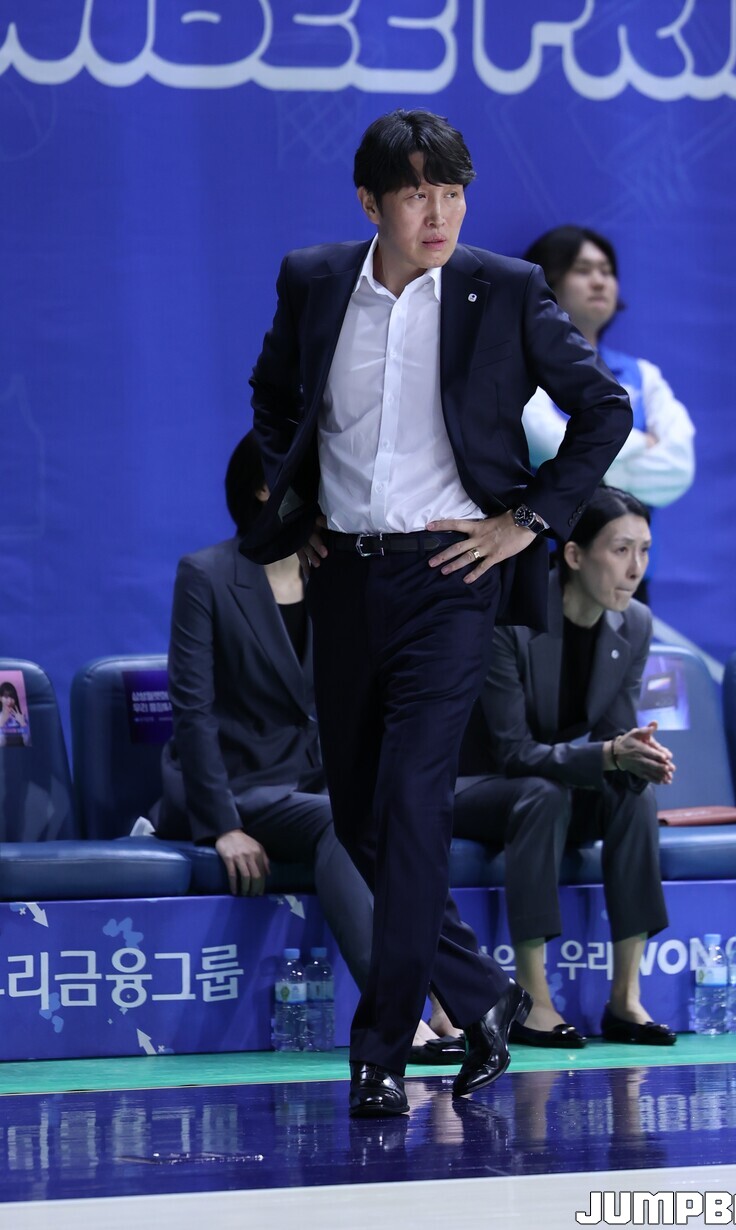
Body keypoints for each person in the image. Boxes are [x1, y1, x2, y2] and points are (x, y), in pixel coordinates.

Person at [242, 109, 633, 1116]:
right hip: (344, 577)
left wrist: (527, 522)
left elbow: (604, 410)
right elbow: (273, 400)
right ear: (370, 202)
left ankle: (383, 1048)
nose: (439, 213)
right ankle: (484, 991)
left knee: (414, 804)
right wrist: (299, 514)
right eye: (417, 193)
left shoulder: (504, 288)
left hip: (453, 578)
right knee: (363, 820)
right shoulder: (314, 279)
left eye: (452, 193)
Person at [152, 432, 460, 1062]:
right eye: (313, 480)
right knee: (342, 822)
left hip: (314, 781)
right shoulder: (207, 575)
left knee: (400, 815)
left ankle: (448, 995)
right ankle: (394, 1014)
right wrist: (222, 825)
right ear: (267, 491)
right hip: (236, 788)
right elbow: (194, 711)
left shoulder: (336, 572)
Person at [455, 487, 677, 1046]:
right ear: (574, 555)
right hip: (480, 786)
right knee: (543, 793)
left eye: (645, 551)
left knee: (634, 793)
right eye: (621, 550)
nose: (635, 569)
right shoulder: (514, 620)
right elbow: (512, 752)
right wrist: (609, 755)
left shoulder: (635, 624)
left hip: (548, 784)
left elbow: (614, 736)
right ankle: (533, 1000)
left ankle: (625, 998)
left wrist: (638, 755)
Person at [522, 225, 695, 602]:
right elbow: (545, 443)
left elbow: (679, 469)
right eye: (583, 270)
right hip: (538, 563)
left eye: (607, 271)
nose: (600, 281)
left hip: (627, 576)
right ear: (548, 281)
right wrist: (642, 444)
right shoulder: (521, 367)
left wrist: (584, 465)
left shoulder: (643, 375)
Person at [0, 679, 30, 747]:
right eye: (6, 697)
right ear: (0, 698)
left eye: (12, 697)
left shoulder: (22, 717)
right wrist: (1, 724)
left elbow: (28, 743)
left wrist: (23, 724)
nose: (9, 701)